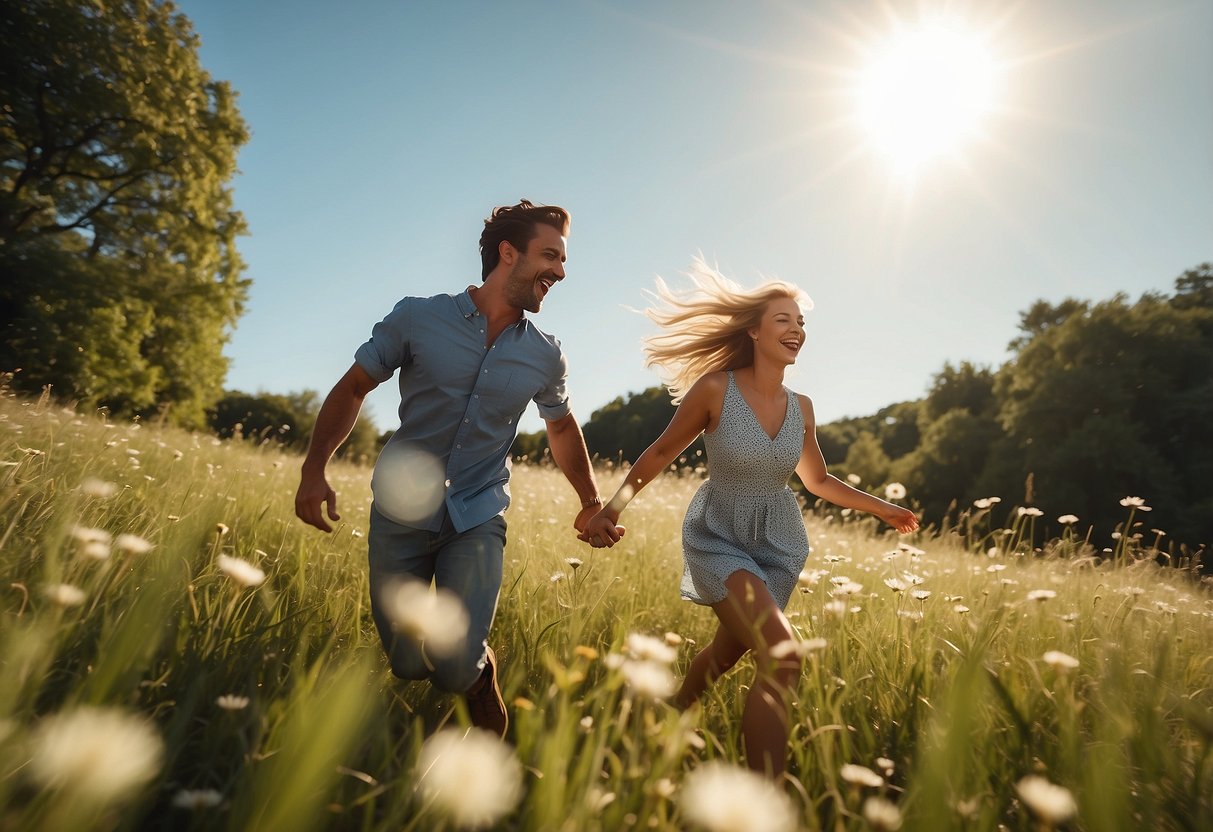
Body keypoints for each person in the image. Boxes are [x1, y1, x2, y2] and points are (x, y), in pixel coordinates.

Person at [581, 260, 919, 777]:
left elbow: (818, 481)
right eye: (783, 319)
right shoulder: (717, 389)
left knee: (724, 655)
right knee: (783, 656)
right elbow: (661, 452)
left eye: (801, 322)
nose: (796, 330)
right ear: (755, 331)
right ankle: (767, 797)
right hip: (720, 538)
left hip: (779, 547)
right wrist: (611, 507)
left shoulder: (801, 407)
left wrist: (884, 509)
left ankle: (666, 721)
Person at [296, 200, 604, 740]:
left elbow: (560, 428)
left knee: (455, 666)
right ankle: (454, 664)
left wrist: (589, 501)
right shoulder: (418, 317)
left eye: (563, 259)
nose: (560, 271)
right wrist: (314, 469)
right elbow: (353, 387)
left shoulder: (545, 354)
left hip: (477, 514)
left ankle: (477, 675)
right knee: (409, 662)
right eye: (550, 256)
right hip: (401, 509)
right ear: (508, 254)